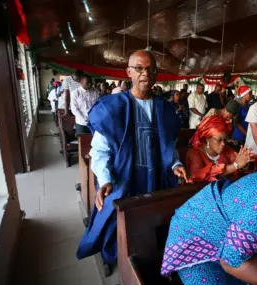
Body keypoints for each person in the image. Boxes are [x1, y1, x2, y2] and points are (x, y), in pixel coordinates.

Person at [77, 50, 188, 264]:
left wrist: (175, 163)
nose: (145, 73)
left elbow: (168, 145)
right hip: (124, 179)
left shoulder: (165, 109)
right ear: (129, 72)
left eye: (150, 69)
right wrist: (105, 179)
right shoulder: (113, 107)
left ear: (156, 73)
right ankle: (120, 261)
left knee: (158, 222)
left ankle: (152, 260)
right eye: (139, 68)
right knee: (114, 220)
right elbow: (99, 151)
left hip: (156, 179)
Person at [186, 116, 257, 183]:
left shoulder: (227, 151)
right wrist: (235, 165)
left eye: (225, 140)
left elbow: (242, 164)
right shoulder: (195, 153)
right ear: (207, 139)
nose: (223, 144)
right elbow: (198, 176)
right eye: (219, 140)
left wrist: (245, 163)